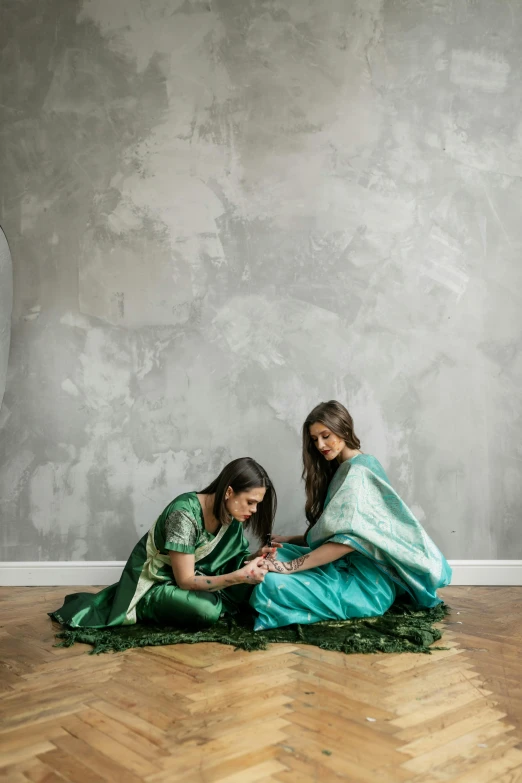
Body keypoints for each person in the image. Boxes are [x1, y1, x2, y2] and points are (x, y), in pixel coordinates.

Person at [251, 401, 451, 630]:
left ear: (343, 428)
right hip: (345, 568)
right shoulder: (354, 464)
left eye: (326, 435)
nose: (320, 445)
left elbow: (348, 542)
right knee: (275, 555)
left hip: (366, 585)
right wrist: (290, 540)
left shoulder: (357, 473)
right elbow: (340, 530)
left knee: (270, 581)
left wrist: (289, 567)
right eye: (315, 439)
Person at [50, 458, 277, 629]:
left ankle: (214, 600)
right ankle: (142, 604)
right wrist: (238, 577)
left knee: (255, 586)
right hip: (157, 581)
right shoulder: (185, 514)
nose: (254, 510)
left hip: (196, 577)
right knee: (205, 611)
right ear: (229, 492)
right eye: (251, 502)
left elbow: (228, 558)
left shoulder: (230, 514)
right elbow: (186, 580)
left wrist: (254, 557)